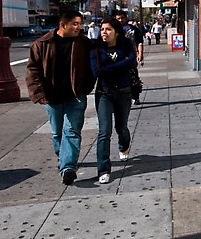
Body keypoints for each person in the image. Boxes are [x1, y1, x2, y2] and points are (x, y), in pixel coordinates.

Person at [26, 10, 95, 185]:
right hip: (52, 96)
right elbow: (33, 70)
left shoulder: (83, 43)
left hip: (75, 95)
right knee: (57, 133)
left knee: (71, 131)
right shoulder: (41, 44)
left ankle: (68, 167)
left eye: (80, 24)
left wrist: (87, 86)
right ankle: (63, 157)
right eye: (75, 24)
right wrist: (38, 93)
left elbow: (92, 65)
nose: (79, 27)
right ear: (63, 25)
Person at [90, 17, 137, 184]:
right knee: (104, 131)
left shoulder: (126, 45)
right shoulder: (96, 49)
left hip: (124, 93)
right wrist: (121, 64)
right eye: (102, 29)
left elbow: (132, 62)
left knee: (121, 127)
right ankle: (103, 169)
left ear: (116, 32)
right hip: (104, 93)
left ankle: (124, 146)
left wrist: (110, 68)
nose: (104, 32)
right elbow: (97, 72)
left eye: (108, 29)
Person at [114, 10, 144, 105]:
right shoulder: (112, 29)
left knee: (133, 77)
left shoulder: (133, 29)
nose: (120, 20)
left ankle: (135, 96)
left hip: (130, 57)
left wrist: (140, 54)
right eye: (118, 18)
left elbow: (139, 42)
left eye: (122, 18)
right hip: (117, 58)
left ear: (126, 18)